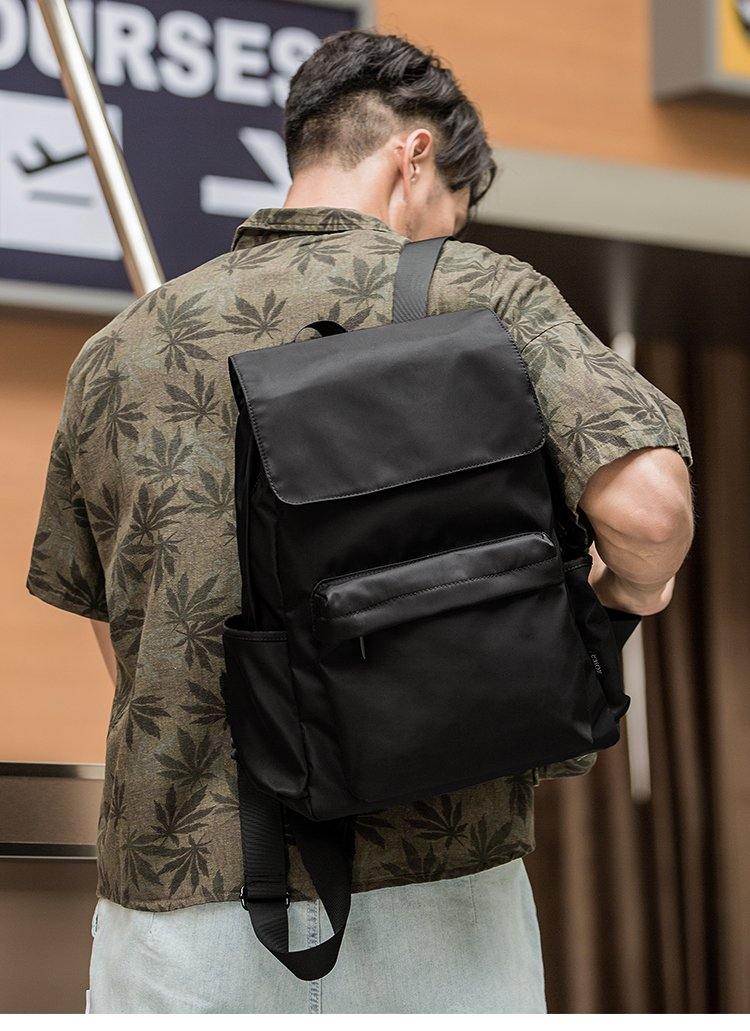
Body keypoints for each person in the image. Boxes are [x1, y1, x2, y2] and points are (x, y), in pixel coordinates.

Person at [27, 30, 693, 1014]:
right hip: (441, 903)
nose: (443, 236)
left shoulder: (118, 352)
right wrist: (630, 592)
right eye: (450, 210)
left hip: (181, 914)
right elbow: (648, 509)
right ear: (412, 154)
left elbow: (118, 638)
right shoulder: (481, 295)